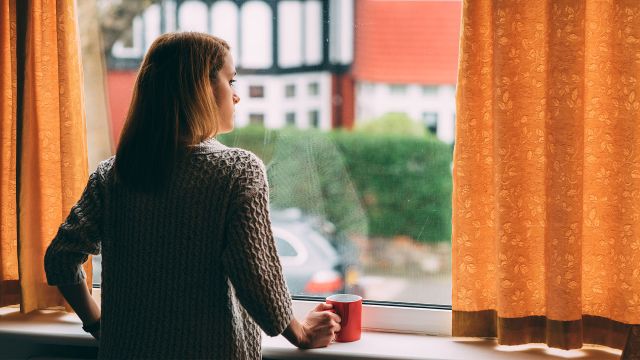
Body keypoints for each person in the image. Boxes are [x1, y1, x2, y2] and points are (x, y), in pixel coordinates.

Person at [44, 32, 341, 359]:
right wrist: (300, 332)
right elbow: (256, 273)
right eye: (231, 80)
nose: (236, 96)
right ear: (201, 87)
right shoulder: (236, 171)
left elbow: (61, 257)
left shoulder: (113, 175)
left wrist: (99, 324)